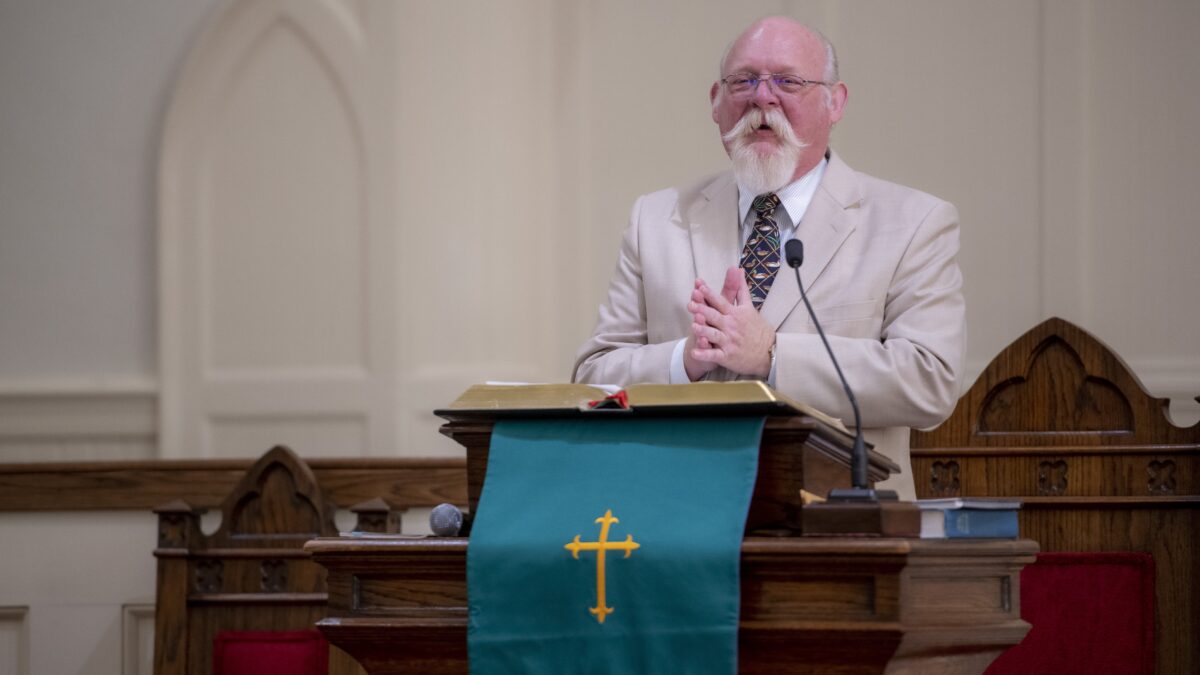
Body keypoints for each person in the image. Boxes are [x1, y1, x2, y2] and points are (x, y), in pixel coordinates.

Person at [571, 16, 966, 499]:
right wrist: (684, 360)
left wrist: (772, 355)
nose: (762, 97)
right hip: (676, 512)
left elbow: (929, 382)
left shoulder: (913, 222)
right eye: (744, 81)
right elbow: (593, 380)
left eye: (788, 81)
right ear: (716, 102)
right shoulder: (655, 219)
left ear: (835, 102)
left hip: (840, 526)